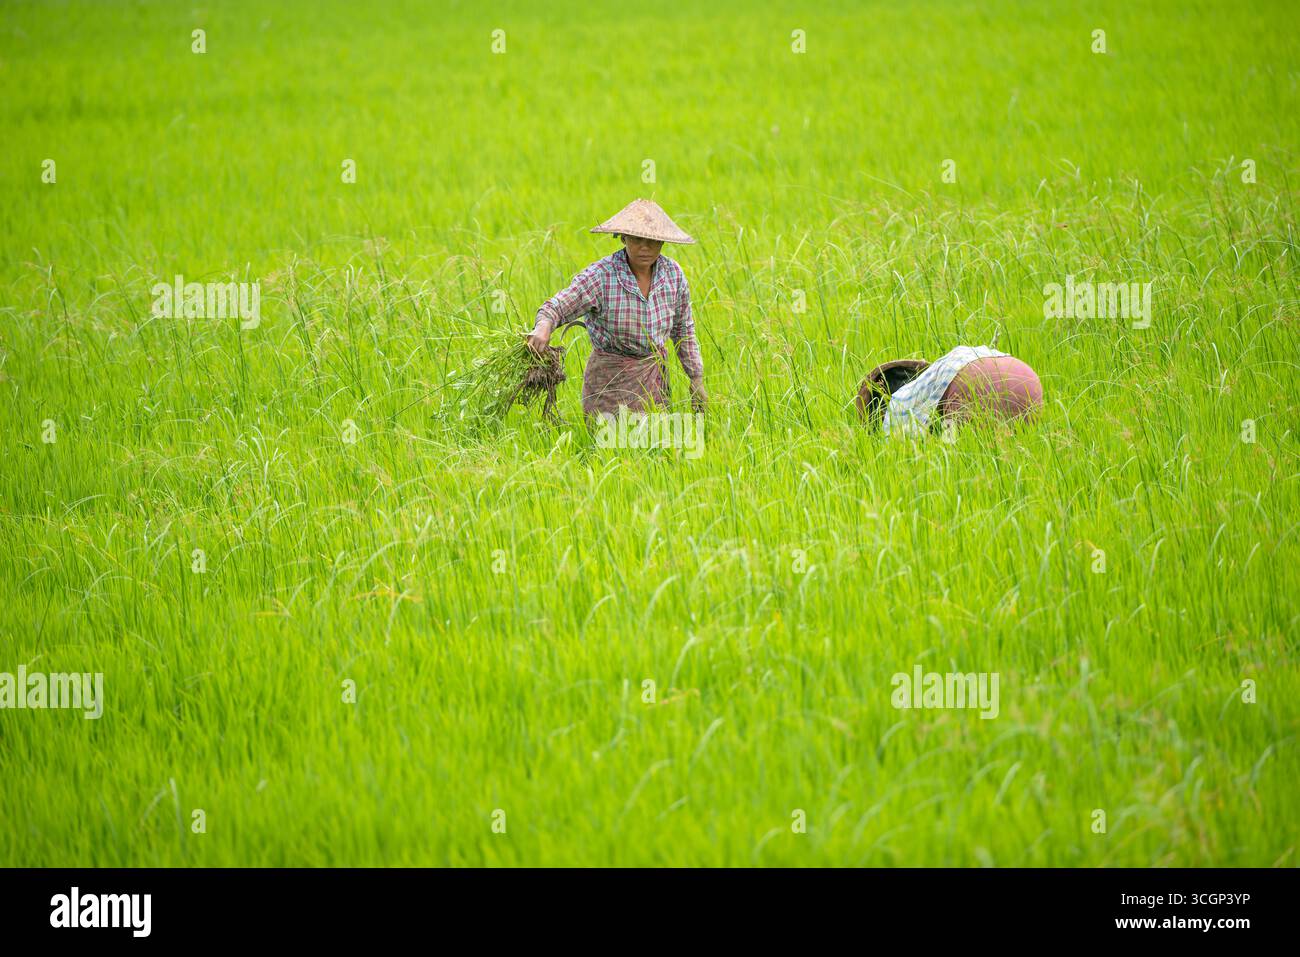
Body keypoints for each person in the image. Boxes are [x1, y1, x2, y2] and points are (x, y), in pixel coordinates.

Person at [526, 199, 707, 417]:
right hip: (609, 383)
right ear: (623, 237)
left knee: (654, 444)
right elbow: (558, 306)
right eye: (637, 239)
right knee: (611, 445)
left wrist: (695, 377)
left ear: (662, 242)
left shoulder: (673, 275)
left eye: (653, 241)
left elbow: (683, 330)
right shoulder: (601, 276)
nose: (645, 247)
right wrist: (543, 327)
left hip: (654, 382)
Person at [856, 345, 1042, 435]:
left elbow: (946, 447)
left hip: (971, 383)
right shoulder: (937, 375)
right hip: (1025, 375)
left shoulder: (899, 406)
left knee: (962, 457)